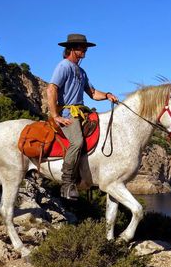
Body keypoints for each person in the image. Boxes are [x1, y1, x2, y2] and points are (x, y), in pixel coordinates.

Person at [47, 34, 118, 200]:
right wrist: (55, 115)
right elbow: (51, 89)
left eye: (84, 47)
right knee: (77, 142)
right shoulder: (63, 66)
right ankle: (67, 183)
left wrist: (107, 95)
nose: (84, 49)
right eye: (80, 47)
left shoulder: (81, 71)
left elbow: (92, 93)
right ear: (72, 49)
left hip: (81, 112)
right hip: (67, 113)